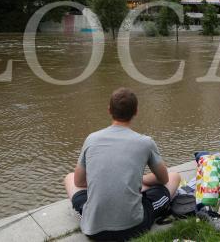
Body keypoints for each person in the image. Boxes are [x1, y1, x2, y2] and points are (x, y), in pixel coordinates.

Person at [64, 87, 180, 241]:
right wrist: (143, 180)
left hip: (93, 229)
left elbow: (78, 181)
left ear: (109, 110)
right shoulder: (145, 142)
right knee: (174, 177)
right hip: (134, 227)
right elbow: (164, 179)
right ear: (136, 111)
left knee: (69, 177)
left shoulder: (91, 139)